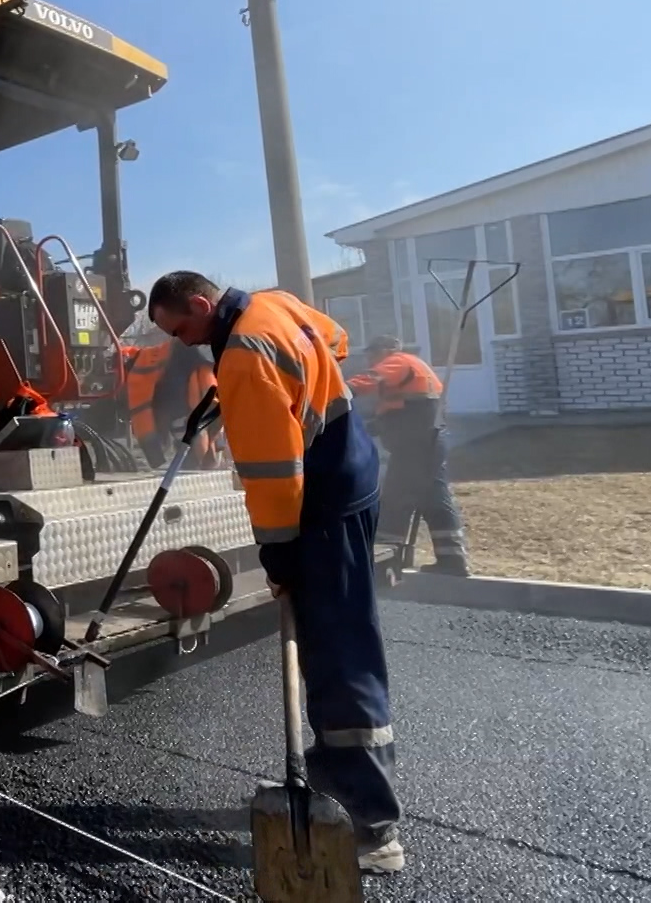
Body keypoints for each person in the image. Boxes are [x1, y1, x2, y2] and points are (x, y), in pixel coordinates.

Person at [146, 271, 404, 876]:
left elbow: (272, 478)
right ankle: (332, 787)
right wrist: (284, 385)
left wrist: (280, 558)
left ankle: (371, 825)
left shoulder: (242, 358)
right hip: (353, 478)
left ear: (203, 305)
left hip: (323, 502)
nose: (182, 343)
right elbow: (333, 342)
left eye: (180, 328)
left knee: (339, 651)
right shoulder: (275, 305)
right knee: (331, 644)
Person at [348, 335, 470, 577]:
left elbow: (368, 381)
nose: (370, 361)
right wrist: (375, 427)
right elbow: (406, 410)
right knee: (434, 499)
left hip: (415, 446)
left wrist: (335, 390)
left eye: (372, 354)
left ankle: (385, 561)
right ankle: (452, 559)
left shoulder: (398, 362)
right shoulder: (414, 368)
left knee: (396, 498)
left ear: (386, 350)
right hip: (427, 441)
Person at [123, 337, 222, 469]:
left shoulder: (195, 367)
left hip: (193, 403)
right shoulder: (190, 366)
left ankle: (194, 459)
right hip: (188, 403)